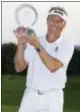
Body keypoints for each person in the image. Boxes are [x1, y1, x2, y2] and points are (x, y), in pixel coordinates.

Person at [14, 6, 74, 112]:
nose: (55, 23)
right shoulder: (36, 40)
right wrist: (20, 45)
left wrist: (37, 44)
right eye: (52, 19)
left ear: (64, 25)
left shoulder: (67, 44)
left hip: (53, 96)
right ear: (47, 21)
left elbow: (53, 66)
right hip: (31, 94)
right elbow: (19, 67)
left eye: (59, 21)